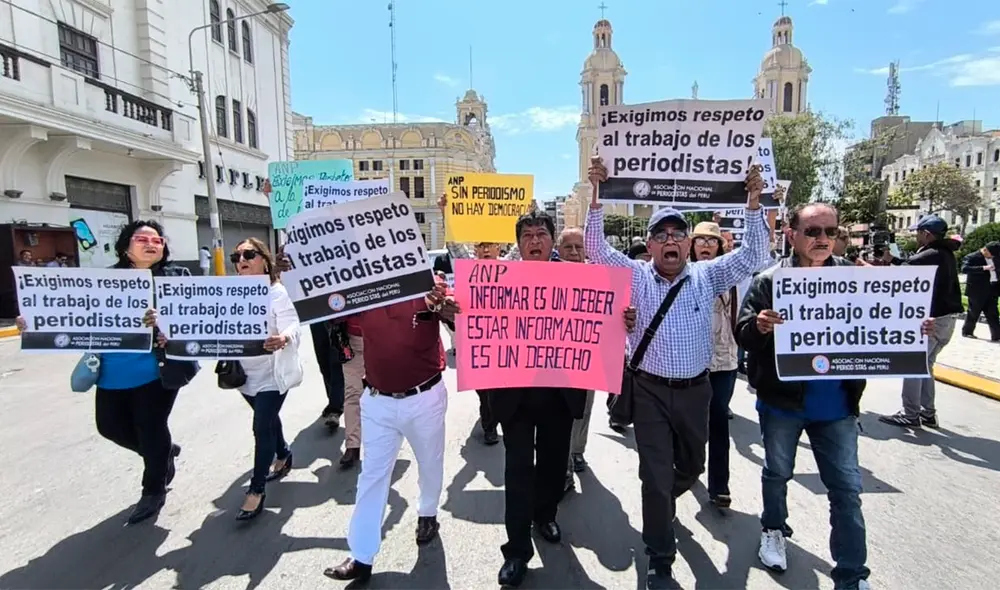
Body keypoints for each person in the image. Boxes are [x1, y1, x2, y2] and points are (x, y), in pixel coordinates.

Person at [585, 157, 770, 589]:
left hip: (695, 393)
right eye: (660, 235)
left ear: (688, 244)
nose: (670, 240)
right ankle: (660, 557)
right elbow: (597, 248)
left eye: (678, 234)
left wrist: (754, 202)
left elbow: (755, 255)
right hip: (649, 392)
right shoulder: (635, 275)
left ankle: (663, 500)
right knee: (654, 475)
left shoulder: (708, 275)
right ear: (650, 246)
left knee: (691, 466)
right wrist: (596, 192)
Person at [736, 202, 934, 590]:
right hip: (782, 405)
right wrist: (759, 326)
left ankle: (852, 574)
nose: (823, 239)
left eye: (830, 231)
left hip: (838, 408)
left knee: (846, 491)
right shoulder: (770, 281)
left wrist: (912, 324)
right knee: (777, 474)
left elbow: (885, 321)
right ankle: (773, 529)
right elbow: (742, 334)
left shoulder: (857, 279)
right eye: (812, 231)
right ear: (792, 235)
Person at [485, 209, 635, 588]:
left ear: (551, 241)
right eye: (527, 236)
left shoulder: (580, 281)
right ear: (519, 244)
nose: (534, 241)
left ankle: (545, 515)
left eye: (541, 234)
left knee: (553, 468)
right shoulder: (498, 281)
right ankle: (517, 551)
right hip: (515, 400)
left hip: (560, 396)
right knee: (518, 472)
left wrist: (623, 320)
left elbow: (606, 318)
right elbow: (474, 318)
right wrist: (455, 310)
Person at [16, 221, 197, 525]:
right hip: (112, 369)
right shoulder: (104, 280)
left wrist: (166, 325)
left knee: (151, 426)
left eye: (157, 240)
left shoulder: (176, 277)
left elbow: (196, 318)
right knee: (110, 426)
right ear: (125, 246)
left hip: (157, 370)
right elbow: (68, 310)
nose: (151, 244)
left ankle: (153, 489)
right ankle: (162, 452)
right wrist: (32, 321)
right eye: (142, 239)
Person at [323, 280, 458, 584]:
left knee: (430, 464)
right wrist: (295, 269)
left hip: (424, 398)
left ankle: (427, 514)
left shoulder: (429, 284)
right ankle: (361, 556)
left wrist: (446, 309)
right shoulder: (361, 287)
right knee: (372, 476)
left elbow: (457, 316)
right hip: (378, 400)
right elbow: (322, 300)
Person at [229, 238, 304, 521]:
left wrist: (283, 337)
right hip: (244, 376)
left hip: (273, 375)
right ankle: (283, 453)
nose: (242, 260)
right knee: (268, 419)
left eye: (249, 254)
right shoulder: (227, 294)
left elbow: (293, 324)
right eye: (236, 257)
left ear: (264, 259)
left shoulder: (278, 293)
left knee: (261, 426)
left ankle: (256, 490)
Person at [879, 214, 963, 428]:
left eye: (918, 233)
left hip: (935, 321)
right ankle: (927, 413)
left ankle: (911, 414)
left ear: (926, 234)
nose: (916, 236)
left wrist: (890, 260)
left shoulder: (931, 254)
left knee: (913, 364)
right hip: (947, 320)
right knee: (925, 365)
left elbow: (906, 271)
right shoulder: (944, 253)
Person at [688, 221, 739, 509]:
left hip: (724, 360)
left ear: (720, 246)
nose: (706, 245)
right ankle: (689, 467)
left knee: (718, 420)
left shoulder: (733, 273)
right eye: (700, 240)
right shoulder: (681, 273)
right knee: (689, 423)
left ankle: (719, 485)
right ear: (692, 246)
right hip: (689, 361)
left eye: (712, 241)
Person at [960, 242, 1000, 340]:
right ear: (985, 250)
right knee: (974, 312)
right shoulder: (972, 257)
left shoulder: (995, 257)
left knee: (993, 313)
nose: (992, 257)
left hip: (992, 288)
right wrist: (983, 268)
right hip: (977, 290)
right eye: (991, 255)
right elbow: (965, 269)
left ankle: (997, 335)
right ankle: (967, 332)